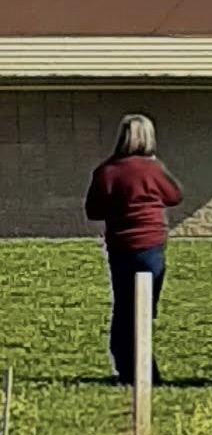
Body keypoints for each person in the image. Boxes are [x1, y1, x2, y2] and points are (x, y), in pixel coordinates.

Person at [83, 115, 181, 385]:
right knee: (145, 307)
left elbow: (93, 210)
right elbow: (174, 195)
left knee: (125, 305)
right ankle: (146, 370)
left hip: (120, 245)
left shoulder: (106, 171)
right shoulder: (153, 169)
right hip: (150, 243)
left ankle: (126, 366)